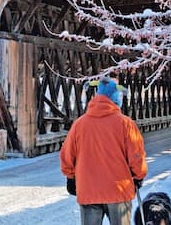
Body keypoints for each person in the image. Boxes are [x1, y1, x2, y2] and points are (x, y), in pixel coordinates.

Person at [60, 77, 148, 225]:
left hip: (88, 190)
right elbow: (136, 155)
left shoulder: (79, 125)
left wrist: (70, 177)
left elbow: (67, 155)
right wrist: (139, 176)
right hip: (119, 190)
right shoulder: (126, 124)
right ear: (115, 98)